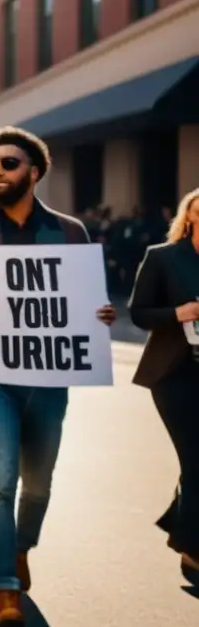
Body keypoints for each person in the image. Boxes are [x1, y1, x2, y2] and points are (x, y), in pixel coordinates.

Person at [0, 126, 116, 627]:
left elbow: (84, 303)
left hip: (48, 376)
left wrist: (98, 316)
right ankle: (3, 591)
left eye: (7, 164)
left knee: (37, 484)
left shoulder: (69, 233)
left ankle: (19, 547)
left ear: (34, 173)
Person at [128, 186, 199, 584]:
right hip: (175, 374)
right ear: (189, 216)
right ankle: (193, 551)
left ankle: (182, 523)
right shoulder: (163, 257)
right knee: (195, 459)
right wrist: (180, 311)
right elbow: (138, 313)